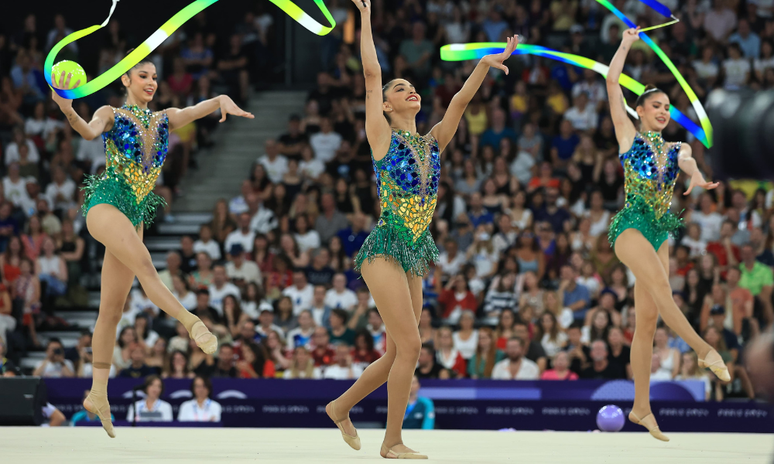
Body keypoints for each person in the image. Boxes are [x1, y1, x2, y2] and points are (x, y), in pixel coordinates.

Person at [327, 1, 518, 459]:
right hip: (385, 247)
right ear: (388, 104)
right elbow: (372, 76)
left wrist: (483, 66)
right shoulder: (381, 136)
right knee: (411, 344)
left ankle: (340, 407)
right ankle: (391, 442)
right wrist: (368, 19)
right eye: (400, 88)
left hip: (414, 250)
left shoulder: (432, 142)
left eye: (411, 86)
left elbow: (459, 102)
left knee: (399, 352)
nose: (409, 90)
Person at [51, 53, 253, 438]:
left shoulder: (164, 119)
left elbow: (196, 109)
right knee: (147, 268)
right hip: (107, 204)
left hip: (135, 215)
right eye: (143, 75)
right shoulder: (111, 111)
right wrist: (68, 109)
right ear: (125, 79)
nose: (151, 81)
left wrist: (220, 100)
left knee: (111, 310)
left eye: (155, 77)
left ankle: (97, 393)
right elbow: (90, 133)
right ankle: (192, 323)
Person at [605, 27, 730, 442]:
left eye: (667, 106)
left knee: (647, 322)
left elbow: (692, 160)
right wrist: (625, 44)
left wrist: (697, 177)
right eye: (656, 105)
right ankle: (703, 349)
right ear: (639, 110)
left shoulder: (676, 148)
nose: (663, 110)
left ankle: (641, 407)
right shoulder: (628, 136)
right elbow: (610, 81)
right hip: (631, 228)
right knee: (662, 288)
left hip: (661, 232)